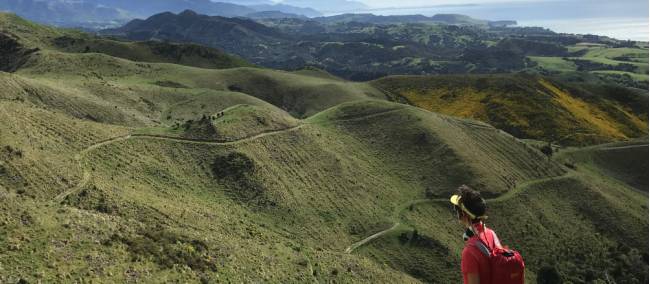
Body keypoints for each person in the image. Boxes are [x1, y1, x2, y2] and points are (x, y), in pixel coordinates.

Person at [450, 185, 502, 284]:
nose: (456, 212)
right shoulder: (492, 234)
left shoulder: (470, 252)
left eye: (456, 209)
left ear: (464, 214)